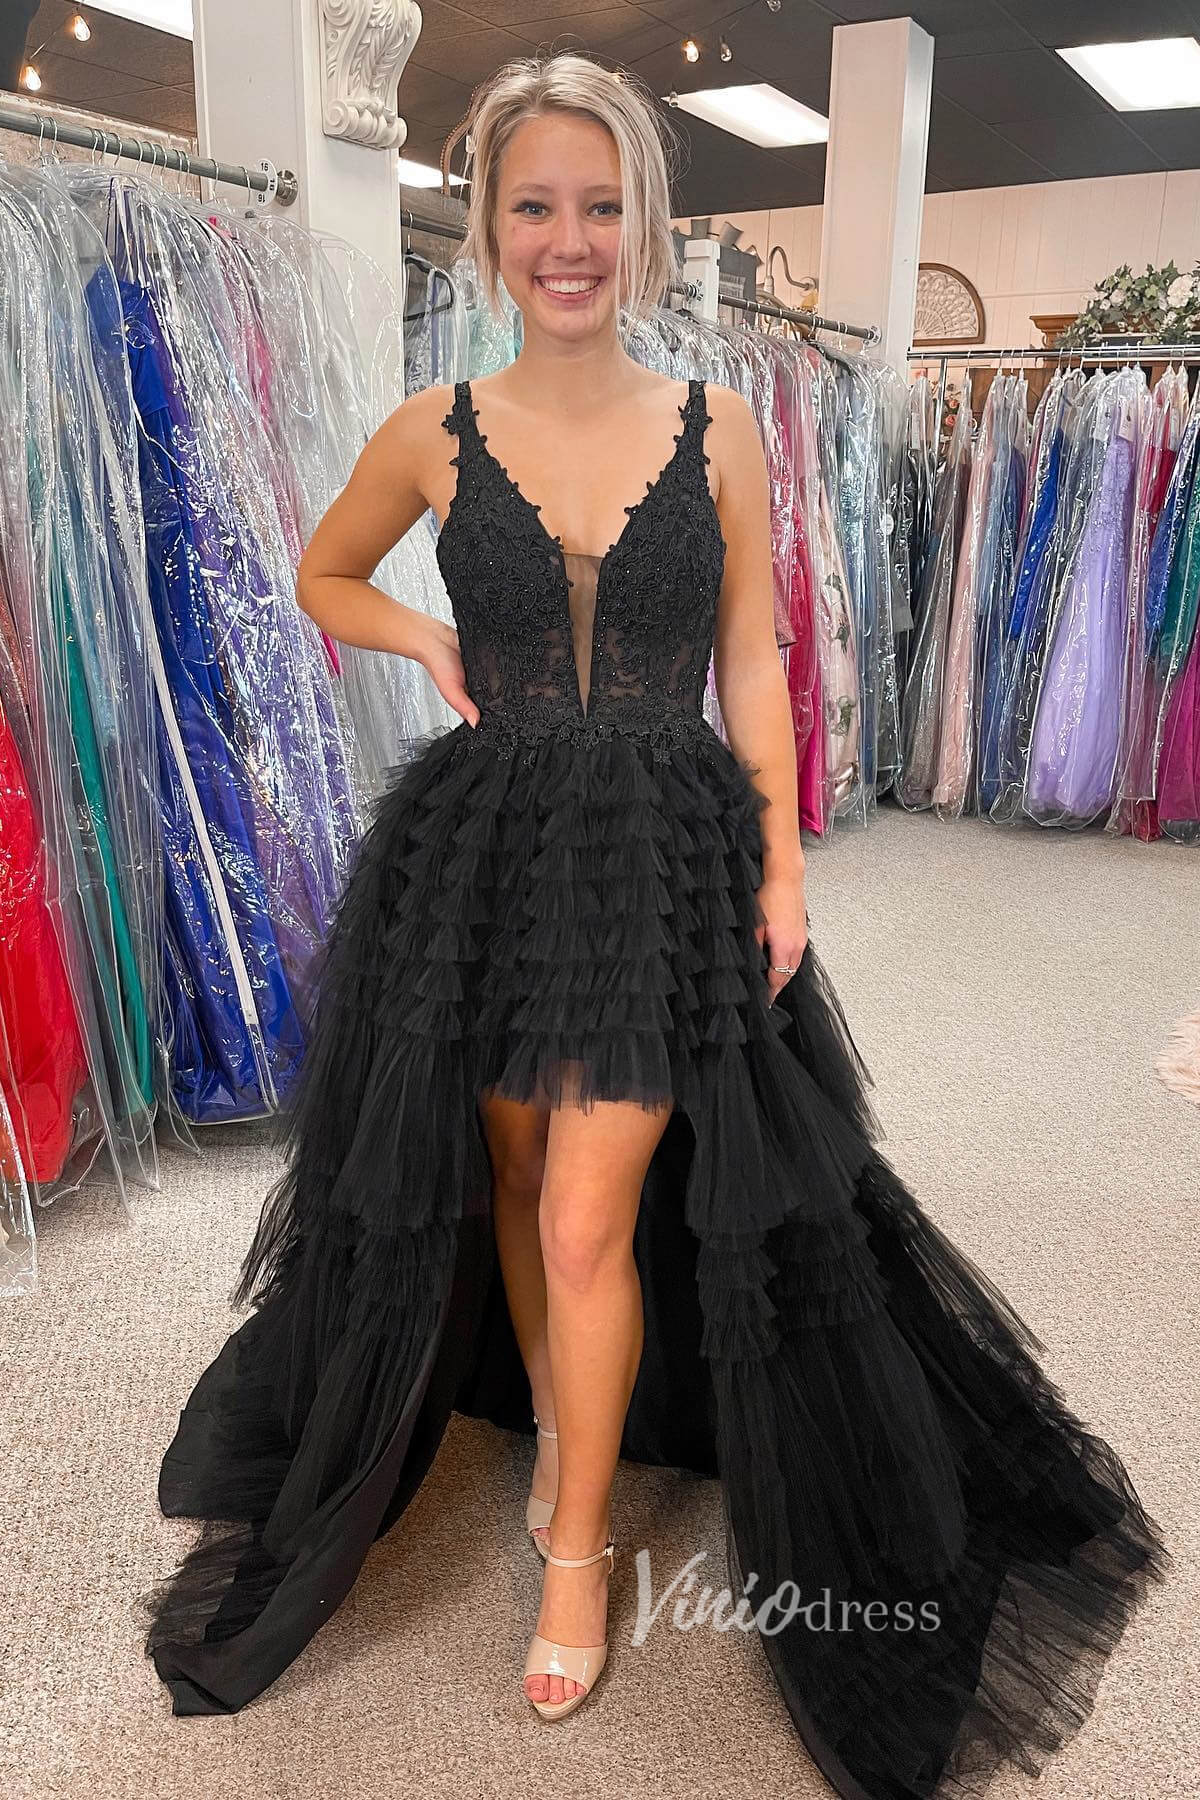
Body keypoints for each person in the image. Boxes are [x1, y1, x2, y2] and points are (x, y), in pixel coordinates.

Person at [145, 50, 1168, 1797]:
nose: (570, 238)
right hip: (480, 861)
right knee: (515, 1179)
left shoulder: (722, 426)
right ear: (488, 227)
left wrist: (779, 868)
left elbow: (753, 661)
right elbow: (322, 572)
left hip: (659, 863)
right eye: (535, 206)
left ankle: (572, 1549)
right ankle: (563, 1429)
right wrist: (425, 639)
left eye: (602, 206)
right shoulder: (433, 429)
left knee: (590, 1209)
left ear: (649, 224)